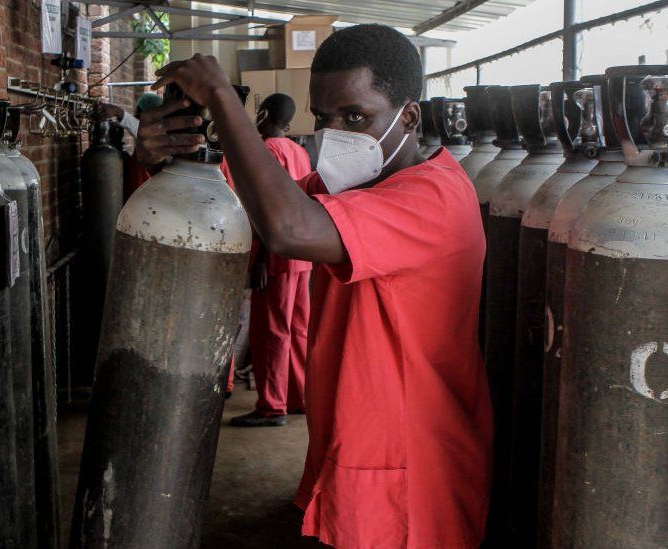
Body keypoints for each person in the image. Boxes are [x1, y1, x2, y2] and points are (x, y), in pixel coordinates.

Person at [135, 24, 492, 549]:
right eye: (324, 118)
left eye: (357, 118)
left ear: (409, 117)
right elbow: (249, 207)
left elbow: (287, 229)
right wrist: (168, 157)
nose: (336, 134)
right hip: (357, 448)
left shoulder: (431, 198)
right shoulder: (357, 184)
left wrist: (221, 100)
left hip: (409, 468)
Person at [219, 93, 313, 427]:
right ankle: (299, 396)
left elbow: (270, 209)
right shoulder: (299, 151)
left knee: (272, 332)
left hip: (277, 256)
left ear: (264, 114)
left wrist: (261, 260)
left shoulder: (269, 151)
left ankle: (272, 405)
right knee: (297, 329)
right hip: (302, 256)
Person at [95, 93, 164, 201]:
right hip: (136, 190)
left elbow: (138, 129)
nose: (136, 114)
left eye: (138, 112)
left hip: (143, 194)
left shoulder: (155, 135)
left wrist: (118, 112)